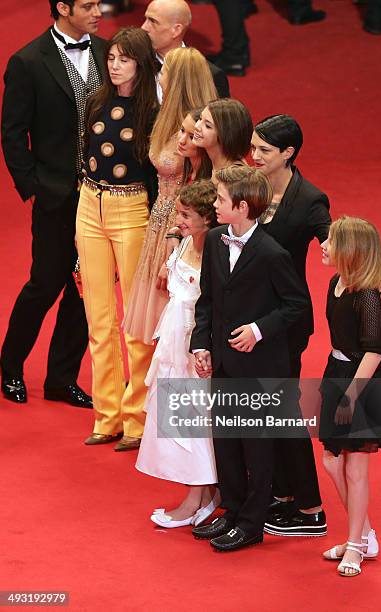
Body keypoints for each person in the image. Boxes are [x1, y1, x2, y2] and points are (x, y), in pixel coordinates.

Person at [190, 165, 308, 552]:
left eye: (221, 200)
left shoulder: (273, 253)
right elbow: (206, 299)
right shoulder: (213, 240)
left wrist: (259, 330)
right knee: (226, 442)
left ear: (242, 207)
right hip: (223, 362)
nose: (214, 204)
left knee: (257, 447)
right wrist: (201, 344)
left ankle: (252, 524)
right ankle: (233, 509)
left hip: (259, 367)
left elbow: (297, 306)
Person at [0, 0, 106, 408]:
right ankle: (10, 366)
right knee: (45, 284)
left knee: (87, 290)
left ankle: (61, 378)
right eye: (89, 5)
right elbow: (13, 134)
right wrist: (36, 187)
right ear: (63, 8)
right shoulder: (27, 61)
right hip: (56, 196)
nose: (99, 11)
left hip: (103, 196)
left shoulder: (106, 52)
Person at [122, 47, 218, 445]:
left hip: (175, 232)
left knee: (178, 326)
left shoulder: (199, 133)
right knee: (159, 328)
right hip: (160, 225)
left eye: (164, 72)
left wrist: (176, 241)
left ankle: (178, 428)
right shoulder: (174, 120)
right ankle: (146, 416)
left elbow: (199, 196)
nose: (157, 76)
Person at [76, 27, 159, 450]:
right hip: (90, 204)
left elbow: (158, 177)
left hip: (132, 211)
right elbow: (83, 156)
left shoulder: (152, 111)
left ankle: (137, 418)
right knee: (98, 318)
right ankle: (105, 416)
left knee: (135, 320)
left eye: (124, 59)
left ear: (140, 65)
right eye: (111, 58)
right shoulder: (95, 100)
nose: (114, 66)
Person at [250, 114, 330, 537]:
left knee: (280, 412)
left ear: (288, 153)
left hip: (284, 321)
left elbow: (333, 241)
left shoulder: (310, 199)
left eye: (264, 149)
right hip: (248, 317)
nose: (254, 155)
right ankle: (280, 494)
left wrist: (362, 277)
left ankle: (310, 508)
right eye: (253, 147)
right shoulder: (252, 186)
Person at [137, 180, 220, 528]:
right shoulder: (185, 240)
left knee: (194, 422)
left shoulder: (216, 252)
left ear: (207, 219)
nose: (179, 219)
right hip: (173, 340)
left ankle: (196, 497)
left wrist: (203, 347)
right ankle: (201, 493)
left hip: (194, 346)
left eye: (186, 215)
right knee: (178, 417)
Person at [319, 216, 381, 576]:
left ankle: (355, 545)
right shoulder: (337, 282)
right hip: (337, 374)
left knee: (355, 468)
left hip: (363, 383)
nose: (323, 245)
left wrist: (351, 394)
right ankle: (364, 534)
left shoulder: (367, 295)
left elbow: (375, 350)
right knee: (333, 462)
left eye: (331, 241)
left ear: (350, 251)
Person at [141, 0, 229, 100]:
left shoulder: (210, 76)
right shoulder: (133, 62)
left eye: (153, 21)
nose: (143, 27)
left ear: (176, 30)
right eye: (145, 19)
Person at [193, 98, 253, 179]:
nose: (196, 126)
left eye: (207, 126)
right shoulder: (205, 161)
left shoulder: (236, 177)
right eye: (200, 119)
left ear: (226, 135)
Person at [178, 109, 213, 184]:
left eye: (191, 137)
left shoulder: (210, 181)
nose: (182, 141)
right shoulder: (188, 170)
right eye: (182, 130)